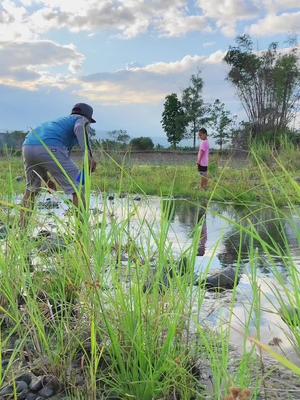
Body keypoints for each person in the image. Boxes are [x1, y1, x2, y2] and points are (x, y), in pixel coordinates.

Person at [20, 103, 97, 228]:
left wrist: (47, 180)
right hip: (51, 148)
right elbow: (79, 127)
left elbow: (54, 160)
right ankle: (83, 234)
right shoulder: (81, 120)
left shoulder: (60, 124)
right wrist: (89, 155)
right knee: (77, 188)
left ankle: (22, 231)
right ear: (87, 118)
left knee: (31, 189)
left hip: (28, 146)